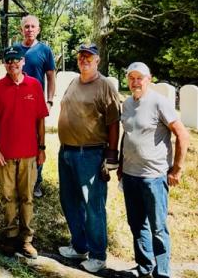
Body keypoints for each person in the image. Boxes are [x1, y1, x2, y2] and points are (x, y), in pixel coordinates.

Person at [119, 62, 189, 278]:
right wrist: (121, 165)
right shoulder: (128, 104)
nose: (135, 82)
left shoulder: (159, 102)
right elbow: (128, 134)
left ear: (149, 79)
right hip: (130, 176)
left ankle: (163, 272)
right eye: (131, 78)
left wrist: (176, 169)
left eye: (140, 77)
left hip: (154, 178)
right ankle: (144, 268)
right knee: (137, 225)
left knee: (158, 228)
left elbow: (183, 135)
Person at [0, 14, 55, 198]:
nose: (29, 29)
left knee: (36, 139)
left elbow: (51, 77)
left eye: (32, 26)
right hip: (9, 101)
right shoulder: (13, 49)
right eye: (26, 26)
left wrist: (49, 101)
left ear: (38, 29)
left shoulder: (45, 50)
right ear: (21, 29)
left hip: (31, 101)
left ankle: (36, 181)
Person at [58, 43, 120, 273]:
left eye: (89, 57)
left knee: (93, 205)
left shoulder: (104, 86)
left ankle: (97, 255)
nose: (84, 60)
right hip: (67, 151)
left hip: (90, 153)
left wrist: (112, 155)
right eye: (82, 56)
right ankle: (79, 245)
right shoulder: (74, 81)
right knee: (69, 200)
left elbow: (114, 122)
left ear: (98, 61)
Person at [0, 45, 48, 258]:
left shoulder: (35, 85)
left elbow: (41, 119)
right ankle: (10, 236)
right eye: (9, 60)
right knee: (8, 196)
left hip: (29, 153)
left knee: (27, 197)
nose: (13, 64)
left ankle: (26, 239)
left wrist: (42, 148)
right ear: (5, 64)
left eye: (17, 60)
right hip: (5, 154)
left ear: (23, 62)